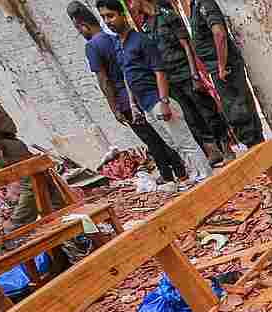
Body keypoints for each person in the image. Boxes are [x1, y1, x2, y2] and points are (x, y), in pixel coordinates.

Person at [67, 1, 188, 191]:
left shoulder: (92, 47)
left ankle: (168, 175)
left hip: (124, 99)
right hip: (140, 93)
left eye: (78, 29)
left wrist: (113, 107)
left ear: (82, 26)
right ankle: (179, 170)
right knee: (161, 134)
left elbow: (104, 80)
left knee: (151, 139)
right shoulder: (114, 38)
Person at [96, 0, 213, 183]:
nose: (108, 21)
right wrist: (134, 105)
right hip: (146, 106)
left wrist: (164, 101)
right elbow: (128, 75)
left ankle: (207, 177)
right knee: (174, 144)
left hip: (158, 100)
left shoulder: (141, 41)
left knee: (185, 142)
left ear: (123, 15)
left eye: (110, 15)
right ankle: (198, 176)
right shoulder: (119, 45)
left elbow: (160, 72)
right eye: (103, 17)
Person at [134, 0, 235, 165]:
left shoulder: (167, 16)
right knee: (190, 116)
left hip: (185, 72)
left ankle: (226, 145)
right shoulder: (145, 26)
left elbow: (186, 45)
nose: (131, 6)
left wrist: (195, 75)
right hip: (170, 79)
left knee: (206, 110)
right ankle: (212, 150)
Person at [188, 0, 264, 147]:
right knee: (240, 112)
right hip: (219, 67)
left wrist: (222, 66)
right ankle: (261, 152)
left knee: (239, 114)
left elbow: (219, 34)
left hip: (225, 68)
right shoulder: (195, 5)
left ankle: (261, 154)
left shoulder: (204, 3)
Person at [0, 94, 63, 232]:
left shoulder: (5, 144)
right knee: (35, 182)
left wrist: (16, 223)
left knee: (35, 180)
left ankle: (19, 225)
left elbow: (30, 186)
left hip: (3, 143)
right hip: (1, 143)